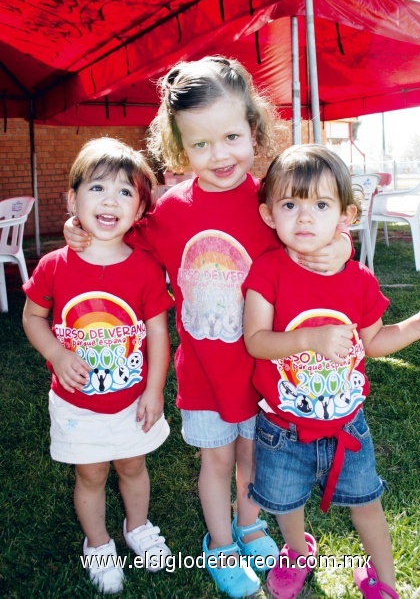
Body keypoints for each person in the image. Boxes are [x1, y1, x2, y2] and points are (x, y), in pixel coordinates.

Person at [64, 57, 352, 598]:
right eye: (200, 145)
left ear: (255, 129)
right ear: (178, 147)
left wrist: (339, 243)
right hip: (203, 372)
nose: (219, 155)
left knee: (253, 457)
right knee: (216, 459)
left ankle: (250, 526)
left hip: (265, 368)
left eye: (231, 136)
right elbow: (123, 239)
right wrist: (80, 228)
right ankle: (219, 542)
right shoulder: (171, 212)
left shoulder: (273, 203)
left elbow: (315, 237)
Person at [243, 144, 420, 599]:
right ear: (268, 214)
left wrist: (417, 324)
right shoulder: (267, 272)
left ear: (345, 216)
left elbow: (374, 342)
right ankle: (297, 552)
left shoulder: (357, 279)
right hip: (283, 428)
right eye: (290, 204)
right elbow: (255, 341)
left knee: (368, 506)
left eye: (320, 205)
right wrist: (307, 340)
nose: (304, 217)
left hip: (346, 426)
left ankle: (385, 581)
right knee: (286, 504)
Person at [23, 138, 174, 594]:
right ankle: (98, 543)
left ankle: (138, 526)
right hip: (76, 406)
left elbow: (159, 334)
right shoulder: (54, 265)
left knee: (133, 466)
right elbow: (33, 317)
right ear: (72, 200)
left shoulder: (146, 268)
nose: (111, 200)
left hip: (132, 401)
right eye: (98, 188)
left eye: (125, 192)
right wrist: (55, 352)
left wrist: (154, 390)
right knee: (91, 474)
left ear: (140, 208)